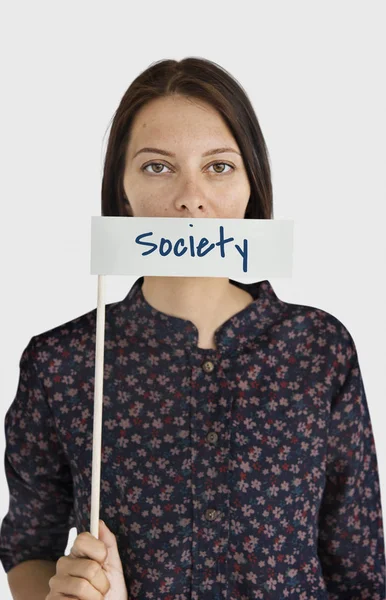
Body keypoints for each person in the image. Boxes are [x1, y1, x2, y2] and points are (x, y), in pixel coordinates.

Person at [0, 56, 385, 600]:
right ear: (122, 189)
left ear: (252, 182)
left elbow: (359, 567)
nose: (190, 197)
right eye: (158, 166)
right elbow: (28, 548)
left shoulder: (320, 348)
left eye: (219, 166)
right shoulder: (62, 362)